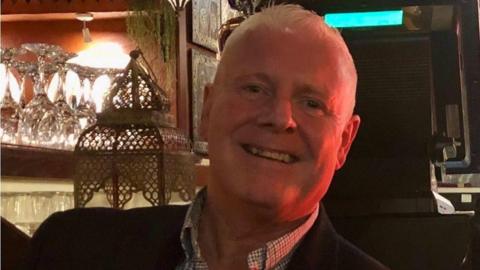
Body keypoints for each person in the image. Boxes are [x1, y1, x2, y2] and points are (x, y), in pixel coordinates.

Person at [23, 4, 389, 270]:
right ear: (208, 109)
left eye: (311, 103)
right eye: (254, 89)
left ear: (344, 141)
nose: (280, 118)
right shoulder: (71, 249)